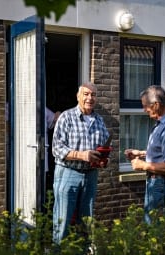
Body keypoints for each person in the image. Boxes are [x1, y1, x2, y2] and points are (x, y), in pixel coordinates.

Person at [52, 82, 110, 244]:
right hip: (68, 173)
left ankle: (83, 250)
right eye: (86, 94)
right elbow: (57, 149)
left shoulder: (99, 121)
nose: (89, 98)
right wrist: (82, 155)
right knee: (63, 219)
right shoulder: (66, 117)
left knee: (86, 221)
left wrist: (104, 160)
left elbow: (105, 147)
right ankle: (59, 250)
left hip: (91, 175)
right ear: (78, 96)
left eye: (93, 95)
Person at [124, 85, 165, 224]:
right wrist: (141, 153)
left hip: (163, 185)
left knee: (157, 229)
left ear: (156, 105)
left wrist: (143, 165)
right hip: (161, 183)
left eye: (145, 106)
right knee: (157, 228)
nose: (144, 110)